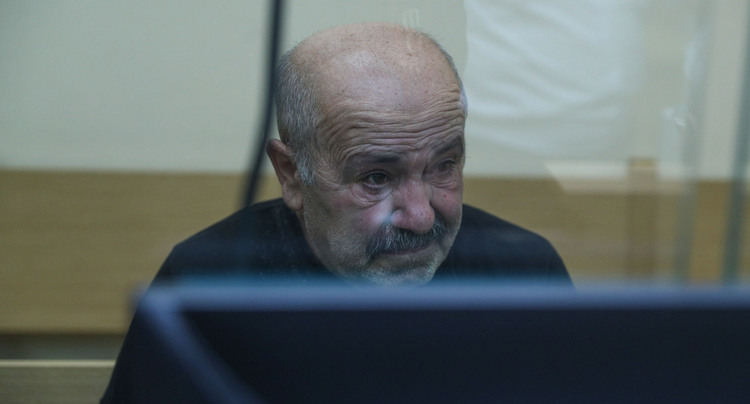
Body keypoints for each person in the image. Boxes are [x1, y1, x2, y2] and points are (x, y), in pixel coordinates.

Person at [101, 22, 571, 403]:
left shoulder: (524, 273)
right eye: (377, 178)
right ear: (291, 174)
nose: (422, 217)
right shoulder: (209, 283)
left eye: (444, 166)